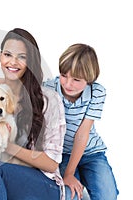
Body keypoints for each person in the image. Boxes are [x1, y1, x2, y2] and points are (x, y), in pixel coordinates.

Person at [0, 28, 67, 200]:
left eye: (21, 57)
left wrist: (6, 146)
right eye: (7, 54)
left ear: (31, 61)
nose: (13, 62)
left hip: (42, 183)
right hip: (2, 174)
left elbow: (51, 164)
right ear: (0, 57)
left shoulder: (49, 99)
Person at [43, 43, 119, 200]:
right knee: (70, 195)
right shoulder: (49, 88)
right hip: (61, 153)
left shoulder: (97, 92)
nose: (68, 84)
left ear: (89, 79)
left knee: (108, 195)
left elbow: (82, 134)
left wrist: (70, 173)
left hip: (91, 152)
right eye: (64, 75)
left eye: (76, 79)